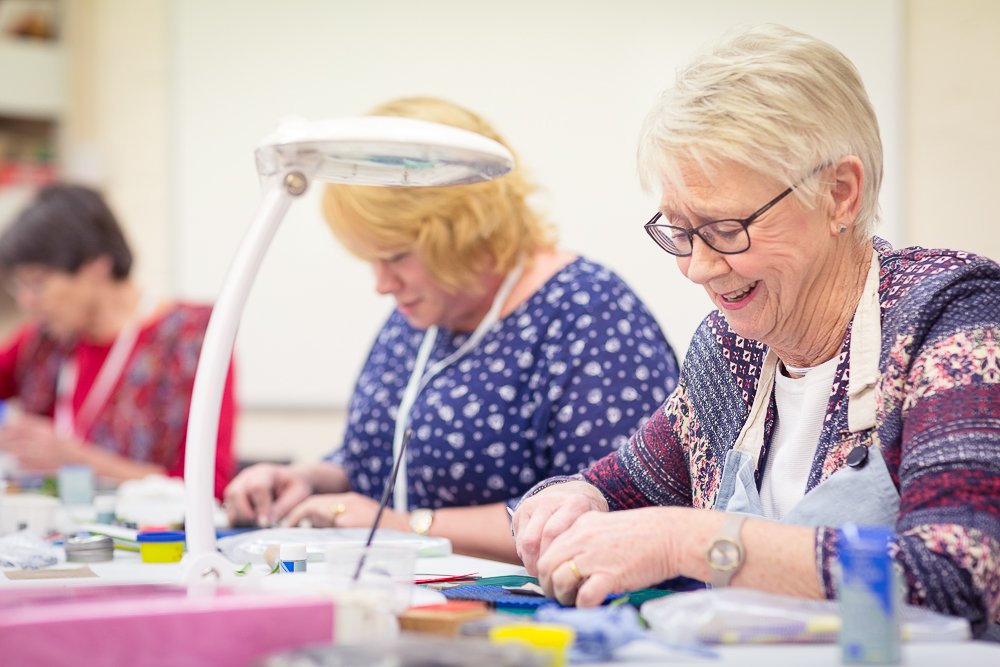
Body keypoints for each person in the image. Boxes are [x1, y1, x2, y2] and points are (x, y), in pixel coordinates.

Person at [512, 24, 1000, 638]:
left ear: (839, 196)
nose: (698, 268)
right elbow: (616, 485)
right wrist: (566, 504)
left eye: (724, 228)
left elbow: (962, 580)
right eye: (681, 232)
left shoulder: (952, 321)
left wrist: (690, 541)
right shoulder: (731, 352)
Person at [225, 96, 680, 562]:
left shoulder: (590, 314)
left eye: (397, 256)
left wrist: (404, 528)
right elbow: (385, 453)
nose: (382, 284)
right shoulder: (425, 314)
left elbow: (611, 513)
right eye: (372, 261)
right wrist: (309, 479)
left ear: (464, 230)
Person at [0, 183, 237, 499]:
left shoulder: (192, 340)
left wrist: (76, 460)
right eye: (20, 286)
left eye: (38, 283)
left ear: (97, 265)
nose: (28, 301)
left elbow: (208, 488)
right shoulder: (43, 341)